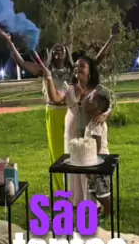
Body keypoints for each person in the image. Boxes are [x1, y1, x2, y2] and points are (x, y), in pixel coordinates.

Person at [0, 27, 116, 192]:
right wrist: (9, 42)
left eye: (61, 49)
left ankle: (87, 191)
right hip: (54, 112)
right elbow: (21, 63)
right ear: (51, 54)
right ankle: (64, 190)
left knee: (80, 152)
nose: (58, 51)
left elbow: (95, 61)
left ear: (67, 53)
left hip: (72, 112)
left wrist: (111, 39)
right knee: (60, 154)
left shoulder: (74, 71)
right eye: (55, 49)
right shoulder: (45, 70)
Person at [33, 51, 110, 207]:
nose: (77, 68)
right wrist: (49, 78)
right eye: (76, 66)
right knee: (74, 167)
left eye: (82, 66)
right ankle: (77, 202)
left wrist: (103, 116)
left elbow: (108, 108)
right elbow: (54, 98)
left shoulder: (98, 89)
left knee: (91, 167)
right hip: (72, 136)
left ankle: (96, 204)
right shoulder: (69, 89)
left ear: (90, 71)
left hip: (91, 136)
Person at [83, 88, 111, 216]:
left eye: (92, 100)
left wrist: (93, 165)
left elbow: (97, 146)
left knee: (101, 189)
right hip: (93, 159)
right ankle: (105, 208)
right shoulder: (93, 121)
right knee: (93, 188)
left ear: (98, 110)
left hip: (99, 160)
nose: (89, 101)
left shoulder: (96, 124)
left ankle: (108, 210)